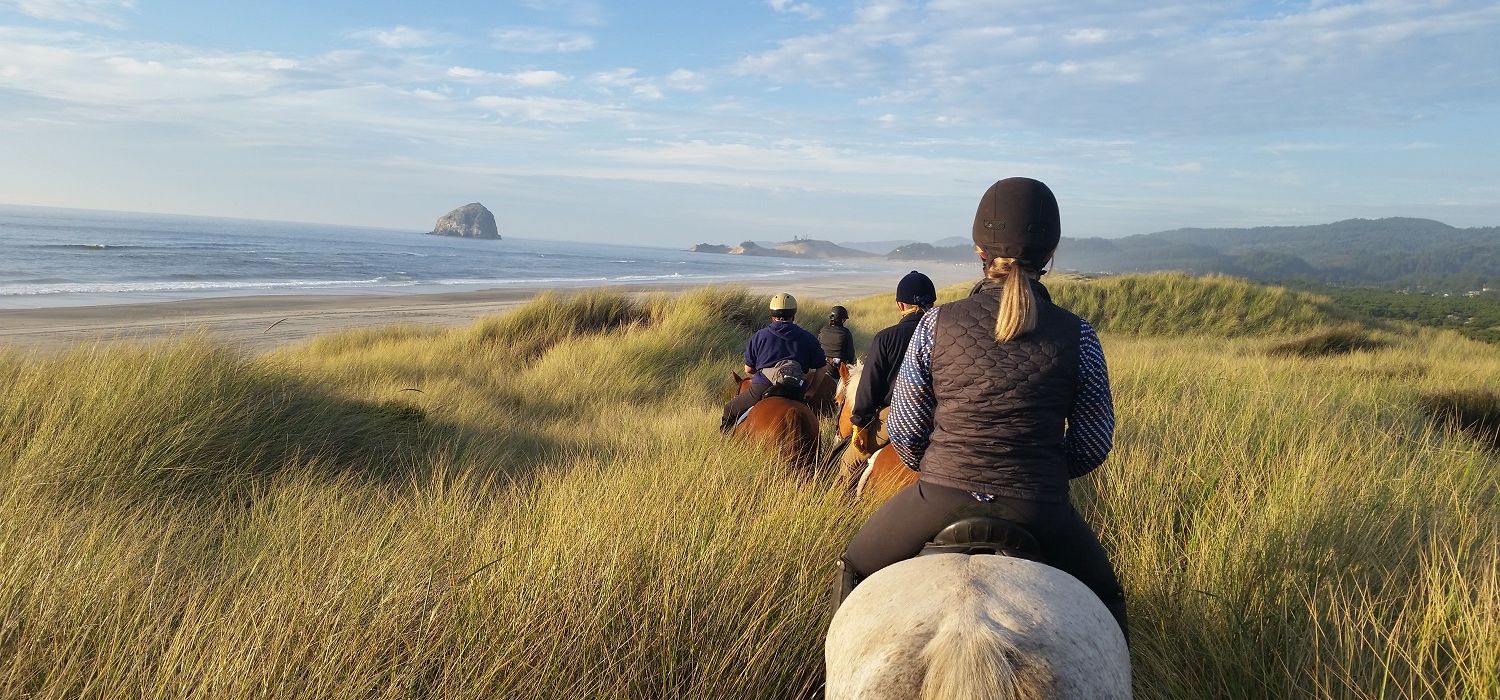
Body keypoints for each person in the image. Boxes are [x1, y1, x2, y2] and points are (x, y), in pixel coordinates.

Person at [832, 177, 1128, 636]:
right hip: (1039, 504)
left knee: (855, 566)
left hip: (941, 495)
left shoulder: (934, 324)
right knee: (1107, 597)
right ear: (1050, 255)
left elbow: (908, 430)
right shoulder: (1080, 335)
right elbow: (1092, 442)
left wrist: (946, 467)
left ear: (979, 250)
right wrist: (1036, 470)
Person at [848, 270, 935, 454]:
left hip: (897, 415)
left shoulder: (885, 338)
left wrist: (860, 423)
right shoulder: (945, 334)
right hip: (939, 415)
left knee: (849, 463)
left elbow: (869, 387)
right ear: (932, 303)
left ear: (900, 305)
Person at [721, 293, 827, 431]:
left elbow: (748, 370)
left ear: (772, 314)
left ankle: (725, 443)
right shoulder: (807, 337)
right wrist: (812, 391)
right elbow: (822, 368)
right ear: (793, 314)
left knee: (729, 409)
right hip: (796, 388)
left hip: (764, 386)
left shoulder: (760, 336)